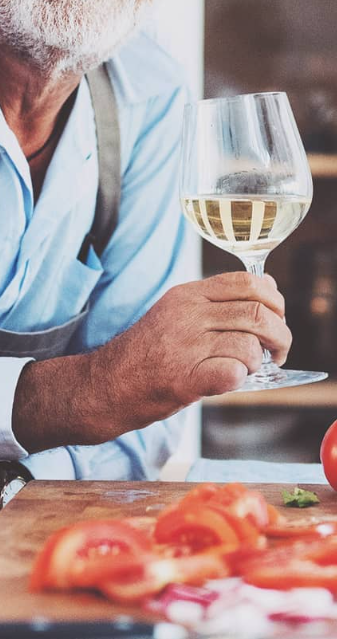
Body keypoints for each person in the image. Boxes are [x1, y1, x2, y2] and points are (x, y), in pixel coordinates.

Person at [0, 0, 292, 502]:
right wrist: (94, 385)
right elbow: (123, 390)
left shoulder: (149, 93)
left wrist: (14, 484)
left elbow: (142, 426)